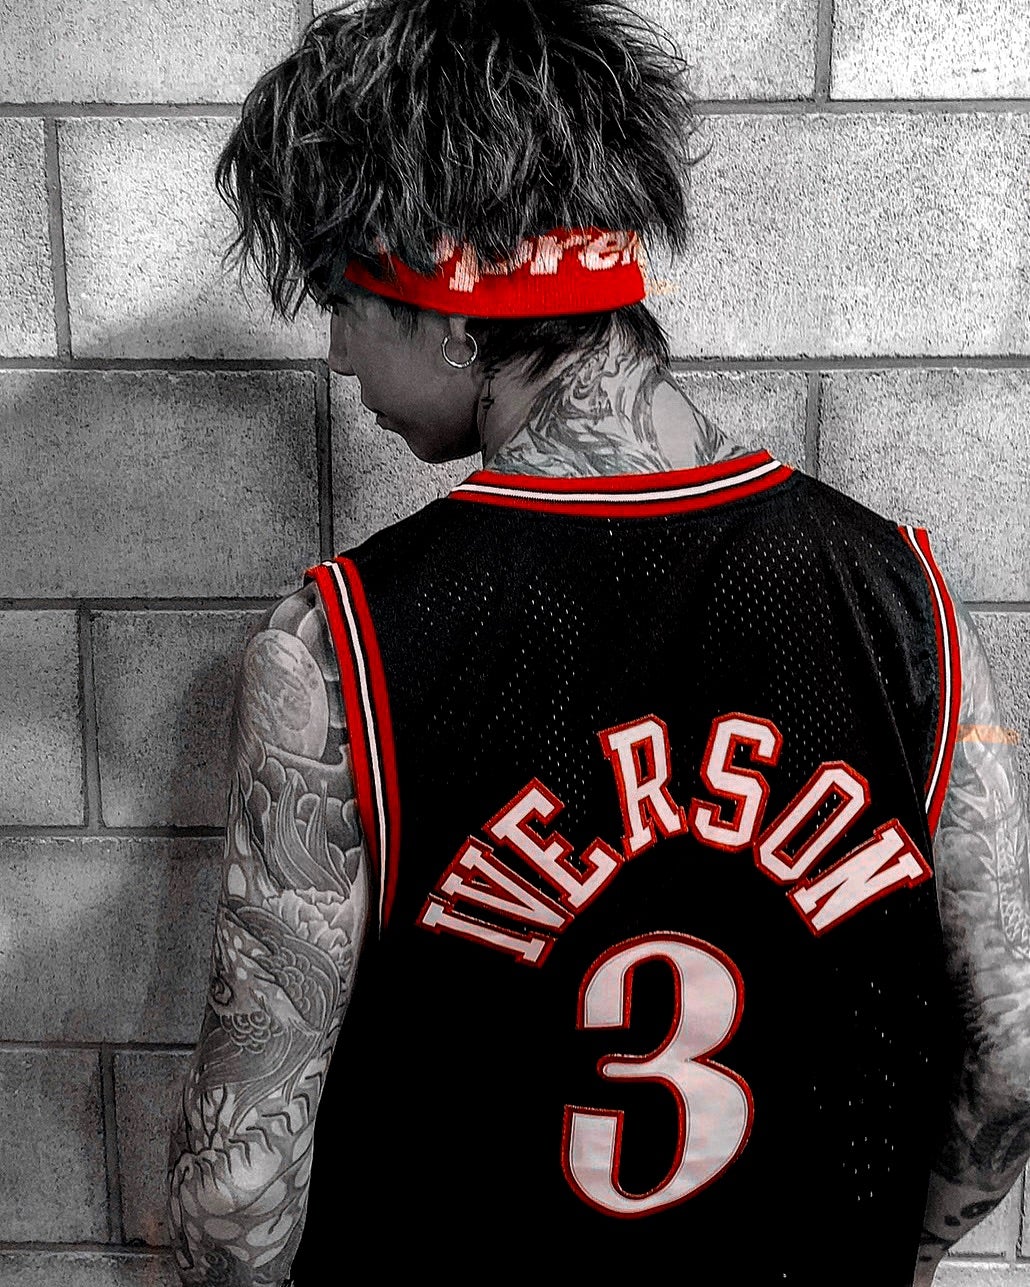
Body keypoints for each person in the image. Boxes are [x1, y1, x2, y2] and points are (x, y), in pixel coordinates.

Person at [166, 2, 1030, 1284]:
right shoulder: (908, 598)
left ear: (446, 294)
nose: (339, 353)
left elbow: (237, 1195)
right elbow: (1012, 1060)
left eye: (346, 300)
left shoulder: (337, 649)